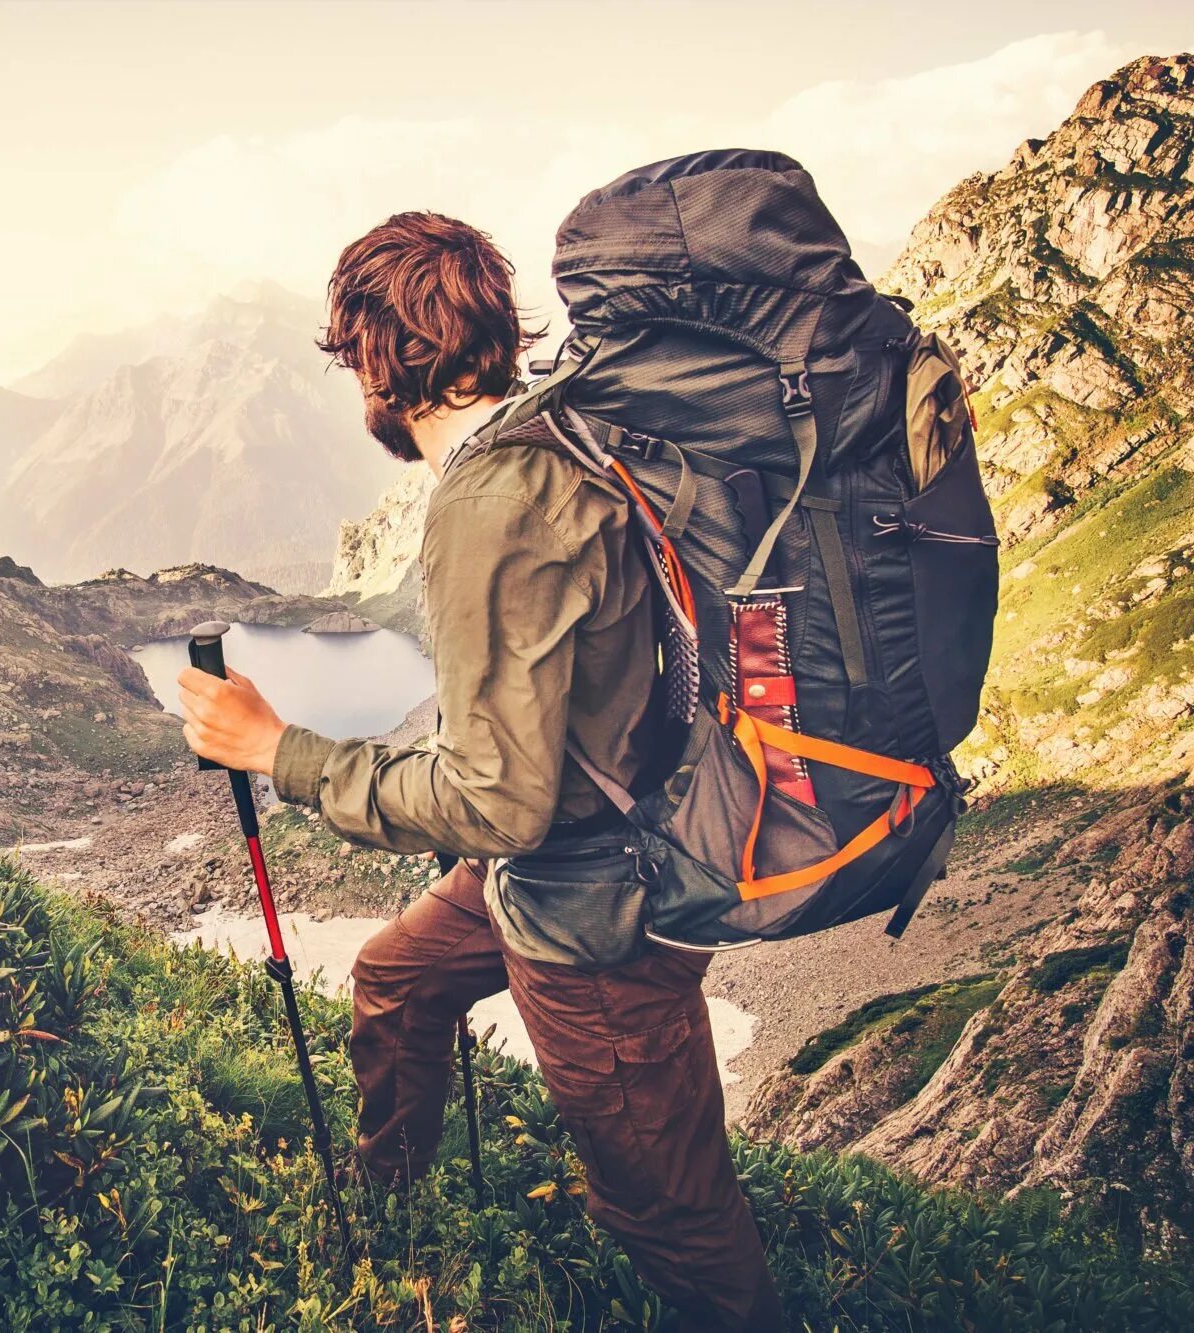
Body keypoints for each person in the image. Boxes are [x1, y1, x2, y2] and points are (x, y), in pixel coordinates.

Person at [178, 211, 785, 1330]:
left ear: (373, 361)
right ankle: (401, 1224)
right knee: (396, 980)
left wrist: (279, 751)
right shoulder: (552, 435)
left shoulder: (492, 499)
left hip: (595, 908)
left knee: (664, 1209)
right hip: (562, 856)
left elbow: (494, 801)